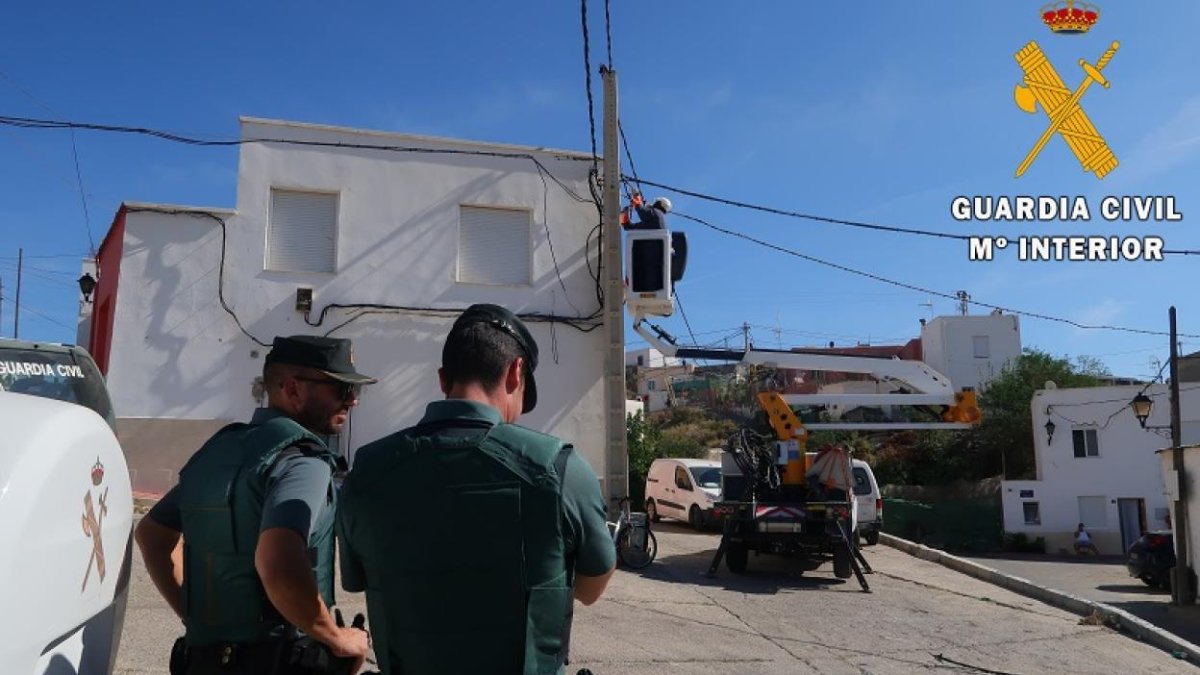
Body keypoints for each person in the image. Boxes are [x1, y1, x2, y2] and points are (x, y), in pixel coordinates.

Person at [337, 304, 616, 675]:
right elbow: (590, 589)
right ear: (516, 372)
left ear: (442, 379)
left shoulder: (367, 470)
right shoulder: (559, 468)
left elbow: (357, 581)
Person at [135, 336, 376, 674]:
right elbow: (277, 562)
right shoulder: (304, 461)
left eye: (355, 392)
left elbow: (152, 535)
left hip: (205, 660)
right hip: (283, 658)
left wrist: (197, 618)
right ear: (292, 389)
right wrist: (336, 637)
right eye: (341, 390)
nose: (352, 402)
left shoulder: (216, 451)